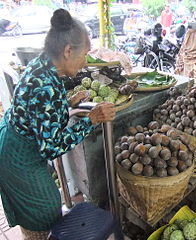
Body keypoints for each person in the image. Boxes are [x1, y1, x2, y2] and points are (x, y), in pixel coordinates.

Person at [0, 9, 115, 240]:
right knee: (43, 213)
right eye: (84, 54)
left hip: (14, 141)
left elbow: (40, 110)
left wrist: (65, 103)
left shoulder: (42, 65)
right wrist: (91, 120)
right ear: (68, 50)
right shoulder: (46, 86)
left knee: (48, 206)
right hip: (19, 157)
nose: (85, 62)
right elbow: (52, 147)